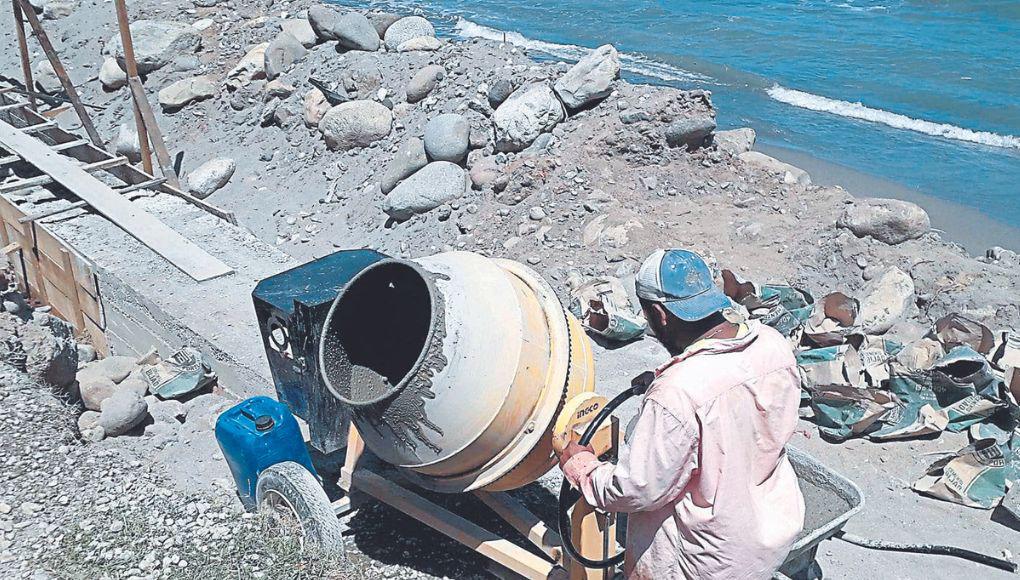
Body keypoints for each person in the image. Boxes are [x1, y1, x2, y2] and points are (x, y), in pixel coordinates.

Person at [557, 248, 805, 579]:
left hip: (707, 561)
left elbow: (637, 489)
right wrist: (668, 378)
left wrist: (584, 468)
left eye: (647, 316)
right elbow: (734, 397)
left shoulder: (677, 394)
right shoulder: (773, 345)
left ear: (659, 314)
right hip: (765, 538)